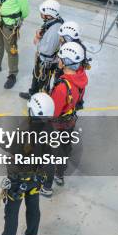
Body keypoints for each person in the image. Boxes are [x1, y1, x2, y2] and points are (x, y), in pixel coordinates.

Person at [0, 93, 54, 235]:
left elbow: (5, 143)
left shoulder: (24, 130)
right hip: (36, 179)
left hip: (18, 181)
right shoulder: (50, 129)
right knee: (33, 209)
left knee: (12, 213)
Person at [41, 42, 88, 196]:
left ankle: (46, 188)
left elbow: (53, 112)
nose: (58, 60)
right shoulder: (81, 77)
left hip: (58, 124)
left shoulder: (62, 88)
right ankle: (59, 176)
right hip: (70, 121)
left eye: (60, 58)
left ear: (66, 62)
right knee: (64, 149)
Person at [19, 0, 64, 100]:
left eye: (43, 13)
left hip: (46, 62)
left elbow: (47, 50)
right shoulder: (53, 22)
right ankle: (32, 93)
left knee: (42, 82)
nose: (41, 14)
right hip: (43, 60)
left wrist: (38, 39)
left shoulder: (54, 31)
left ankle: (40, 100)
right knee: (36, 77)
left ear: (49, 14)